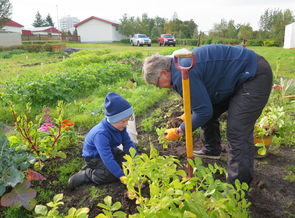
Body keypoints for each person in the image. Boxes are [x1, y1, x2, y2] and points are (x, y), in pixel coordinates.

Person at [142, 44, 273, 185]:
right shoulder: (178, 66)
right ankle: (211, 149)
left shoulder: (182, 72)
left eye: (157, 84)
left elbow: (203, 112)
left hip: (253, 75)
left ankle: (238, 185)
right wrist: (188, 116)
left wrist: (181, 130)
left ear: (163, 73)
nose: (160, 88)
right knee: (206, 109)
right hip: (235, 77)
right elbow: (200, 104)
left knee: (237, 130)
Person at [68, 92, 137, 189]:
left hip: (110, 150)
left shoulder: (120, 127)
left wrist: (137, 161)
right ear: (113, 120)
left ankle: (107, 169)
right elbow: (107, 158)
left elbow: (128, 143)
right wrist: (121, 176)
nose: (126, 124)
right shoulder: (101, 134)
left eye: (127, 120)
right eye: (123, 121)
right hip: (94, 157)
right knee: (109, 174)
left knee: (126, 161)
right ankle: (87, 174)